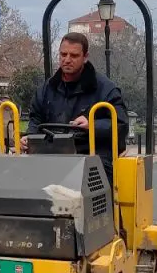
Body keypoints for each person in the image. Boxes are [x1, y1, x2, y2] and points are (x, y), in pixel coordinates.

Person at [21, 32, 128, 183]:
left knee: (91, 180)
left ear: (85, 57)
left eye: (74, 55)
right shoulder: (47, 88)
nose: (67, 60)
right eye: (63, 54)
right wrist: (30, 137)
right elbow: (36, 119)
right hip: (53, 153)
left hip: (92, 154)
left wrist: (92, 125)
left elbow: (121, 124)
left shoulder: (105, 89)